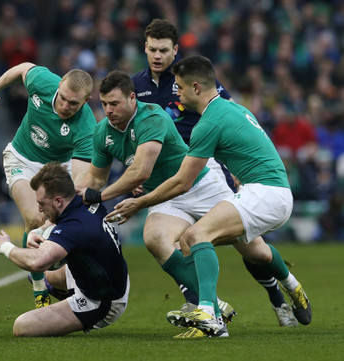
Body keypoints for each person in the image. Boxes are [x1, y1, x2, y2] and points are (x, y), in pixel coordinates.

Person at [110, 56, 312, 338]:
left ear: (195, 87)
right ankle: (291, 287)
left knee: (195, 236)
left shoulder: (209, 123)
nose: (176, 94)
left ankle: (209, 314)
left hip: (266, 194)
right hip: (268, 191)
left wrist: (140, 202)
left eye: (179, 88)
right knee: (225, 244)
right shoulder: (233, 108)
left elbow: (182, 182)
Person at [76, 70, 237, 337]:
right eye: (104, 104)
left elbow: (140, 172)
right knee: (154, 237)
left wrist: (100, 196)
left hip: (198, 184)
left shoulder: (151, 116)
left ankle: (287, 286)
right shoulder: (102, 131)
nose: (108, 110)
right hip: (165, 195)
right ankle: (210, 307)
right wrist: (75, 199)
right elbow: (95, 177)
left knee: (252, 247)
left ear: (131, 98)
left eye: (114, 103)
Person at [0, 63, 96, 308]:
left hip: (58, 169)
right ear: (59, 86)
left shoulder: (87, 127)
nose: (65, 106)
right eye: (63, 98)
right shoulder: (43, 81)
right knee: (34, 219)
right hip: (21, 158)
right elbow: (23, 68)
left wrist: (57, 221)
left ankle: (63, 277)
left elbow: (81, 179)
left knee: (61, 221)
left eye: (73, 104)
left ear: (86, 101)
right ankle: (39, 289)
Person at [0, 162, 129, 336]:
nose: (39, 209)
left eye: (42, 203)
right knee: (49, 276)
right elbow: (57, 218)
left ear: (59, 200)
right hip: (112, 276)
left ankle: (76, 307)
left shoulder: (75, 228)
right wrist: (36, 231)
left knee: (22, 326)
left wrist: (5, 246)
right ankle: (64, 297)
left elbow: (37, 262)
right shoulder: (82, 197)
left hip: (103, 301)